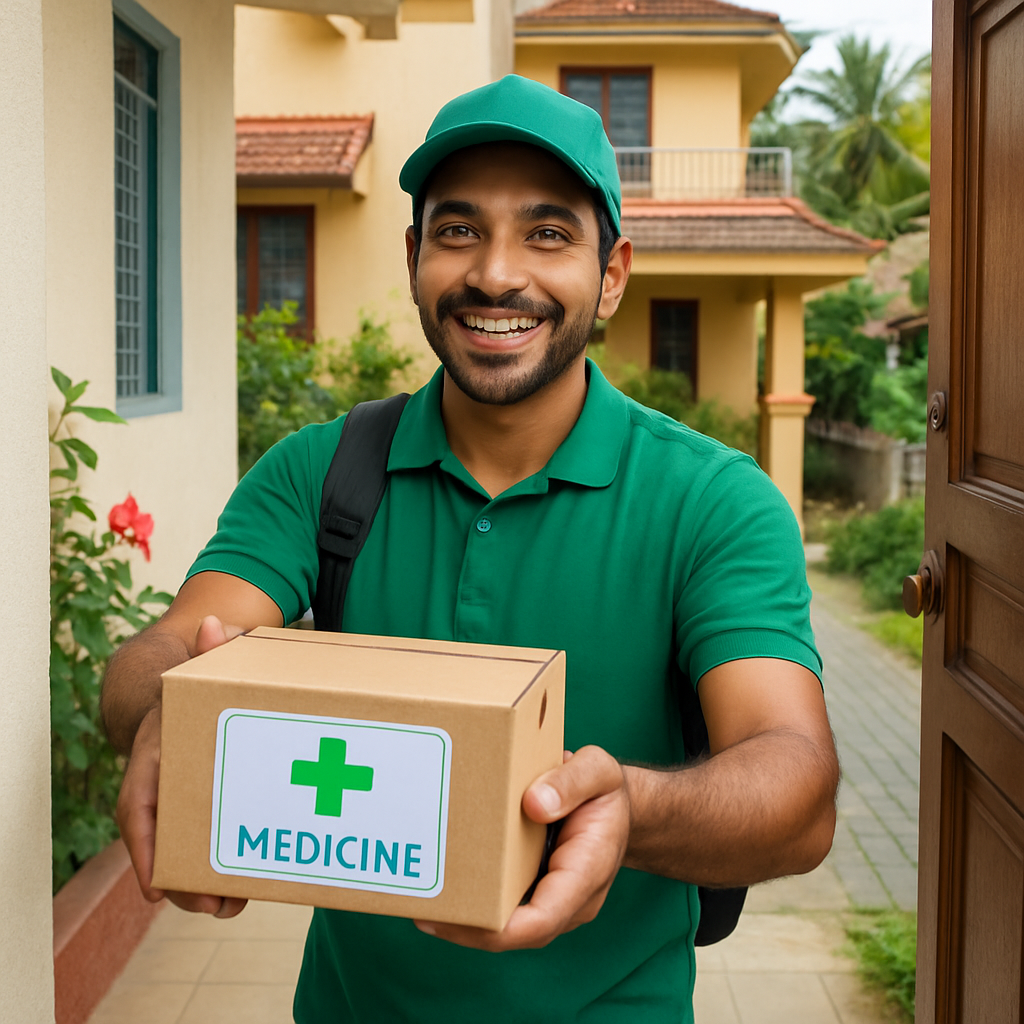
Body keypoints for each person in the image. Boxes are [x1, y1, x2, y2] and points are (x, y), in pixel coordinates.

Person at [102, 75, 839, 1023]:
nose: (496, 274)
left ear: (612, 273)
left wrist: (632, 808)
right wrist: (169, 712)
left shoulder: (711, 502)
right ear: (415, 257)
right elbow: (162, 651)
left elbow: (796, 784)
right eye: (458, 231)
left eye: (547, 233)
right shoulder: (320, 473)